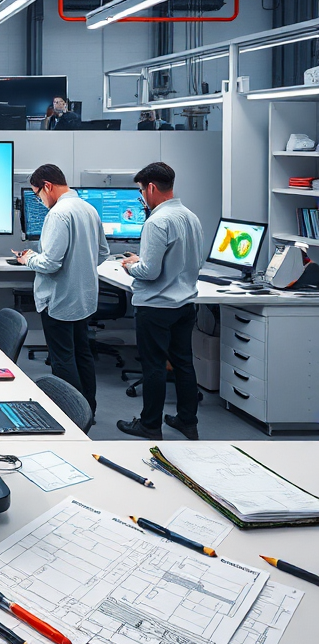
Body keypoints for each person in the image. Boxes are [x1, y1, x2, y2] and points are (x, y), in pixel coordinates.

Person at [117, 161, 206, 441]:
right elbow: (194, 261)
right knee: (183, 363)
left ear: (152, 188)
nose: (142, 197)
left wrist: (131, 265)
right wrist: (144, 261)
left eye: (141, 191)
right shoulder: (190, 216)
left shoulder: (156, 221)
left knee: (153, 365)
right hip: (185, 304)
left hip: (156, 306)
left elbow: (150, 272)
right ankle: (187, 422)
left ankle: (150, 425)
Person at [16, 164, 108, 413]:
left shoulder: (58, 214)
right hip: (83, 299)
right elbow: (103, 253)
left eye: (38, 194)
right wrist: (80, 266)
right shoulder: (88, 209)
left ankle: (71, 414)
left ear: (47, 186)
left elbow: (50, 263)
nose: (39, 200)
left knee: (63, 359)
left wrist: (28, 259)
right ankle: (88, 409)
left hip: (59, 299)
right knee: (83, 354)